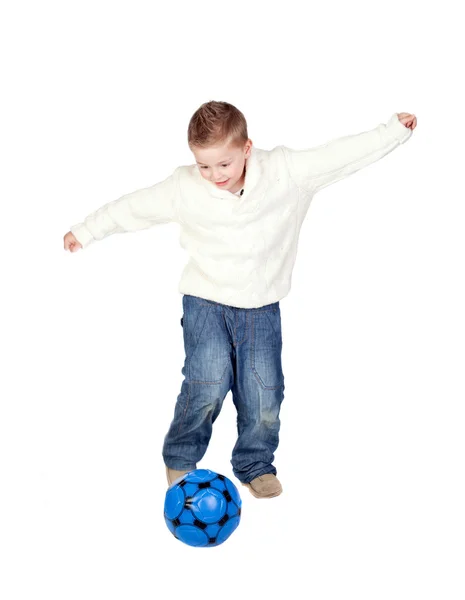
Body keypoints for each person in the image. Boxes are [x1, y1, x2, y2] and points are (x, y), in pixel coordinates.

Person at [63, 101, 417, 498]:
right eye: (204, 166)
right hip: (205, 301)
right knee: (208, 380)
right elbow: (133, 208)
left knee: (264, 392)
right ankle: (180, 455)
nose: (214, 175)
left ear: (247, 148)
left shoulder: (285, 172)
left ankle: (254, 464)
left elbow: (338, 156)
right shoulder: (184, 187)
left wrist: (393, 132)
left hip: (261, 305)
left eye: (224, 164)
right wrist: (86, 230)